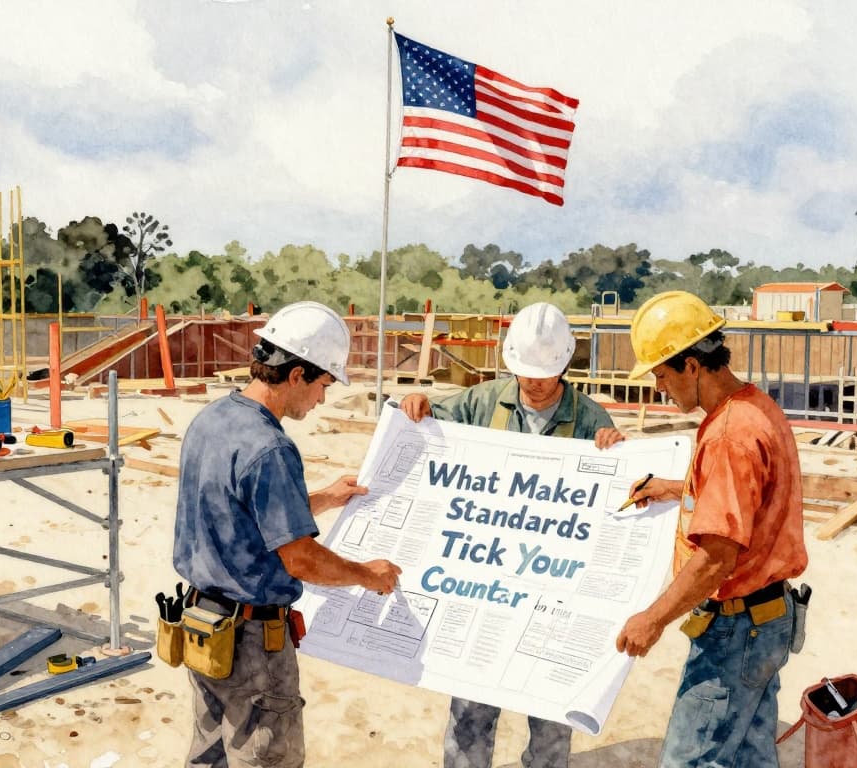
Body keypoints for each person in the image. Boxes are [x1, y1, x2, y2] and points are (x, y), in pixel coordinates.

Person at [173, 300, 402, 768]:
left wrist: (319, 499)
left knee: (208, 756)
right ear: (296, 374)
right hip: (252, 641)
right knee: (266, 759)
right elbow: (299, 559)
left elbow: (237, 512)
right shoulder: (271, 447)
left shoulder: (212, 420)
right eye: (322, 384)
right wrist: (367, 574)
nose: (321, 400)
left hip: (202, 624)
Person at [400, 301, 626, 768]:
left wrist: (616, 452)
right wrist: (414, 405)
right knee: (469, 714)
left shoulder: (590, 420)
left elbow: (616, 504)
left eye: (545, 372)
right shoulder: (483, 402)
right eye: (526, 371)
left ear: (565, 363)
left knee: (550, 720)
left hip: (552, 594)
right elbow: (418, 426)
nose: (535, 382)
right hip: (485, 591)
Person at [613, 290, 808, 767]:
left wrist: (652, 619)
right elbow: (748, 500)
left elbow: (718, 556)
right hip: (769, 620)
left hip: (736, 629)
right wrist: (677, 488)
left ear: (693, 367)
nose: (659, 387)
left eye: (661, 374)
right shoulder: (755, 407)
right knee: (748, 755)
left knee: (689, 759)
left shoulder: (727, 435)